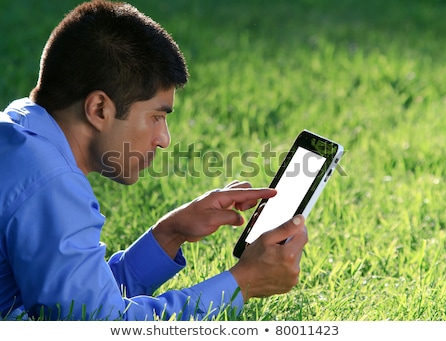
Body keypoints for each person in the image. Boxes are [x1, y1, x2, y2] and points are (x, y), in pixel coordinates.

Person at [0, 0, 308, 321]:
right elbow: (106, 328)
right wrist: (242, 283)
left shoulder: (18, 129)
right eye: (156, 117)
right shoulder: (49, 184)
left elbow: (80, 304)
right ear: (99, 110)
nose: (164, 139)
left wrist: (169, 234)